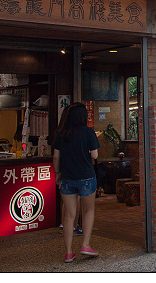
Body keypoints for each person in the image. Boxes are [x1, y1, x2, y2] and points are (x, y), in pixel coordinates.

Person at [53, 102, 100, 262]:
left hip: (67, 177)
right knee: (88, 211)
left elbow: (56, 157)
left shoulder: (61, 133)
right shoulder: (89, 132)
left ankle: (68, 252)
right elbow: (94, 155)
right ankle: (85, 245)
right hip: (86, 176)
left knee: (68, 215)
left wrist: (57, 173)